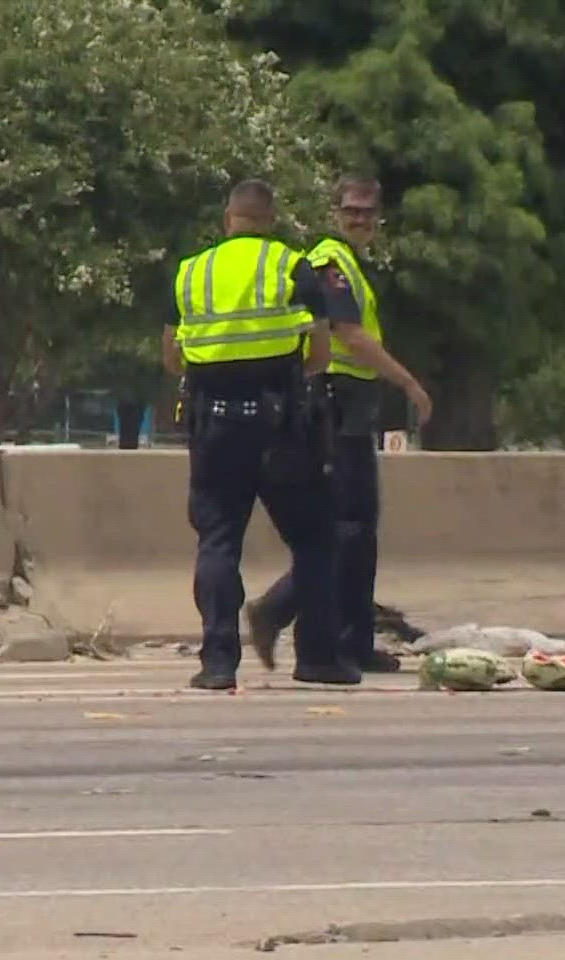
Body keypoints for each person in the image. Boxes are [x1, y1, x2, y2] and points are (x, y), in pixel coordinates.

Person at [162, 179, 362, 691]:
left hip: (212, 427)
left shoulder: (192, 272)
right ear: (270, 221)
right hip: (282, 429)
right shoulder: (291, 266)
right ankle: (317, 656)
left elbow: (171, 356)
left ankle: (218, 662)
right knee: (316, 537)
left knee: (218, 540)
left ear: (228, 219)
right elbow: (319, 354)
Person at [245, 176, 432, 675]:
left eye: (369, 213)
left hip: (353, 404)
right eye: (352, 211)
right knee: (345, 528)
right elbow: (349, 336)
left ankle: (352, 640)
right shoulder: (330, 262)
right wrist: (408, 383)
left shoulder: (351, 265)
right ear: (335, 212)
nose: (361, 220)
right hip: (335, 403)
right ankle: (278, 612)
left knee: (358, 530)